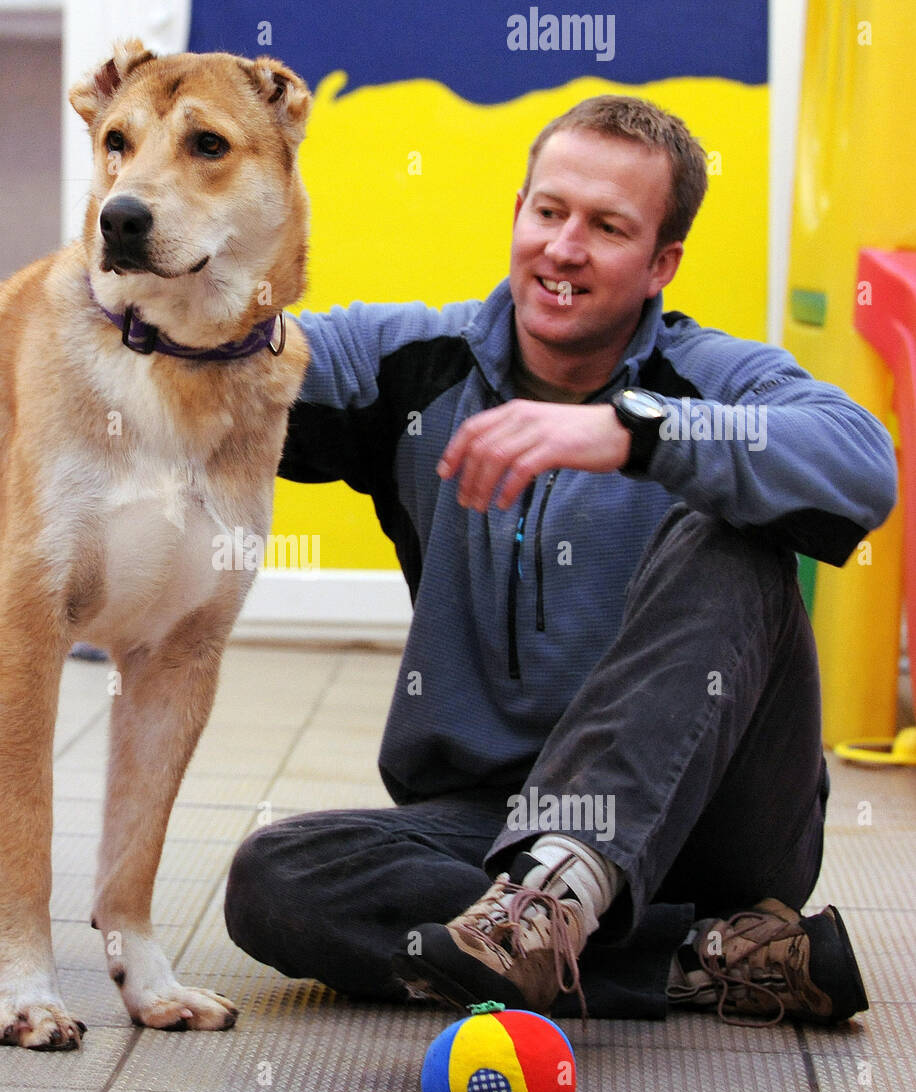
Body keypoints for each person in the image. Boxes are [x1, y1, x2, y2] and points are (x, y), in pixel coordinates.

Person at [223, 95, 895, 1026]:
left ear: (662, 263)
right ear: (518, 213)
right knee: (276, 878)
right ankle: (697, 960)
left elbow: (863, 462)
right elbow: (237, 361)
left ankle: (559, 902)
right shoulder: (416, 364)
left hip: (711, 826)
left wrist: (630, 432)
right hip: (489, 821)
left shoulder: (709, 377)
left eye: (608, 227)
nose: (564, 248)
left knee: (733, 529)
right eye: (549, 211)